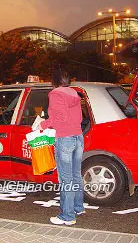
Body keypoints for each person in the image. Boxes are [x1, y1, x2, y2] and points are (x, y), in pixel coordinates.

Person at [38, 70, 84, 225]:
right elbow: (79, 117)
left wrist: (42, 124)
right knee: (76, 175)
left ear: (54, 81)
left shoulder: (56, 94)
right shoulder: (73, 93)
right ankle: (78, 207)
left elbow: (60, 117)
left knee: (66, 179)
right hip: (78, 137)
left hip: (65, 138)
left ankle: (67, 216)